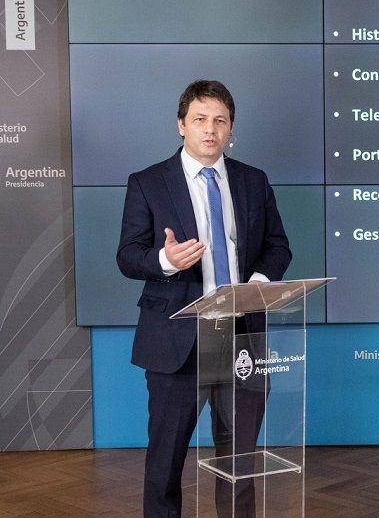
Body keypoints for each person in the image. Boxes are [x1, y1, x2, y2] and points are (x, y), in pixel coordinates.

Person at [117, 80, 292, 517]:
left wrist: (255, 285)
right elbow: (128, 256)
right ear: (181, 125)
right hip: (177, 340)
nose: (210, 130)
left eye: (220, 121)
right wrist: (166, 259)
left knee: (239, 462)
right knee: (165, 462)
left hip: (241, 337)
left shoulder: (253, 180)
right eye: (200, 120)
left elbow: (278, 247)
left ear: (231, 129)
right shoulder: (148, 183)